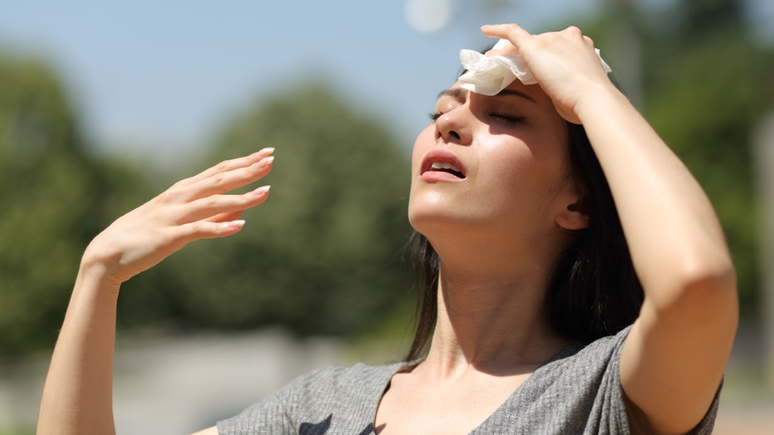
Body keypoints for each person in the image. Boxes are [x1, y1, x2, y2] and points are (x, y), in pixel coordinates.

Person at [37, 24, 737, 435]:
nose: (452, 120)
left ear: (577, 203)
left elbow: (695, 282)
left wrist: (591, 89)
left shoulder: (603, 394)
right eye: (442, 107)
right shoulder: (318, 410)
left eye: (510, 116)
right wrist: (99, 276)